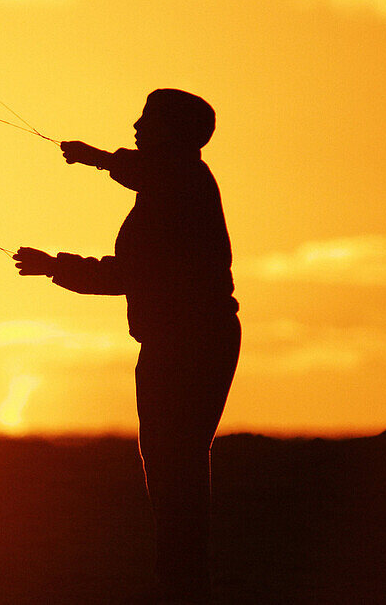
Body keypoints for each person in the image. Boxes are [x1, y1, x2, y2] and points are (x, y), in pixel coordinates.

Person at [14, 88, 240, 603]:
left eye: (147, 120)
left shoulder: (181, 184)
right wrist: (95, 160)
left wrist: (56, 266)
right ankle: (182, 578)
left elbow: (129, 273)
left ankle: (182, 582)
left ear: (174, 134)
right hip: (183, 341)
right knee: (172, 463)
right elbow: (144, 176)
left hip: (188, 344)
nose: (135, 126)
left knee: (172, 463)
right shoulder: (176, 184)